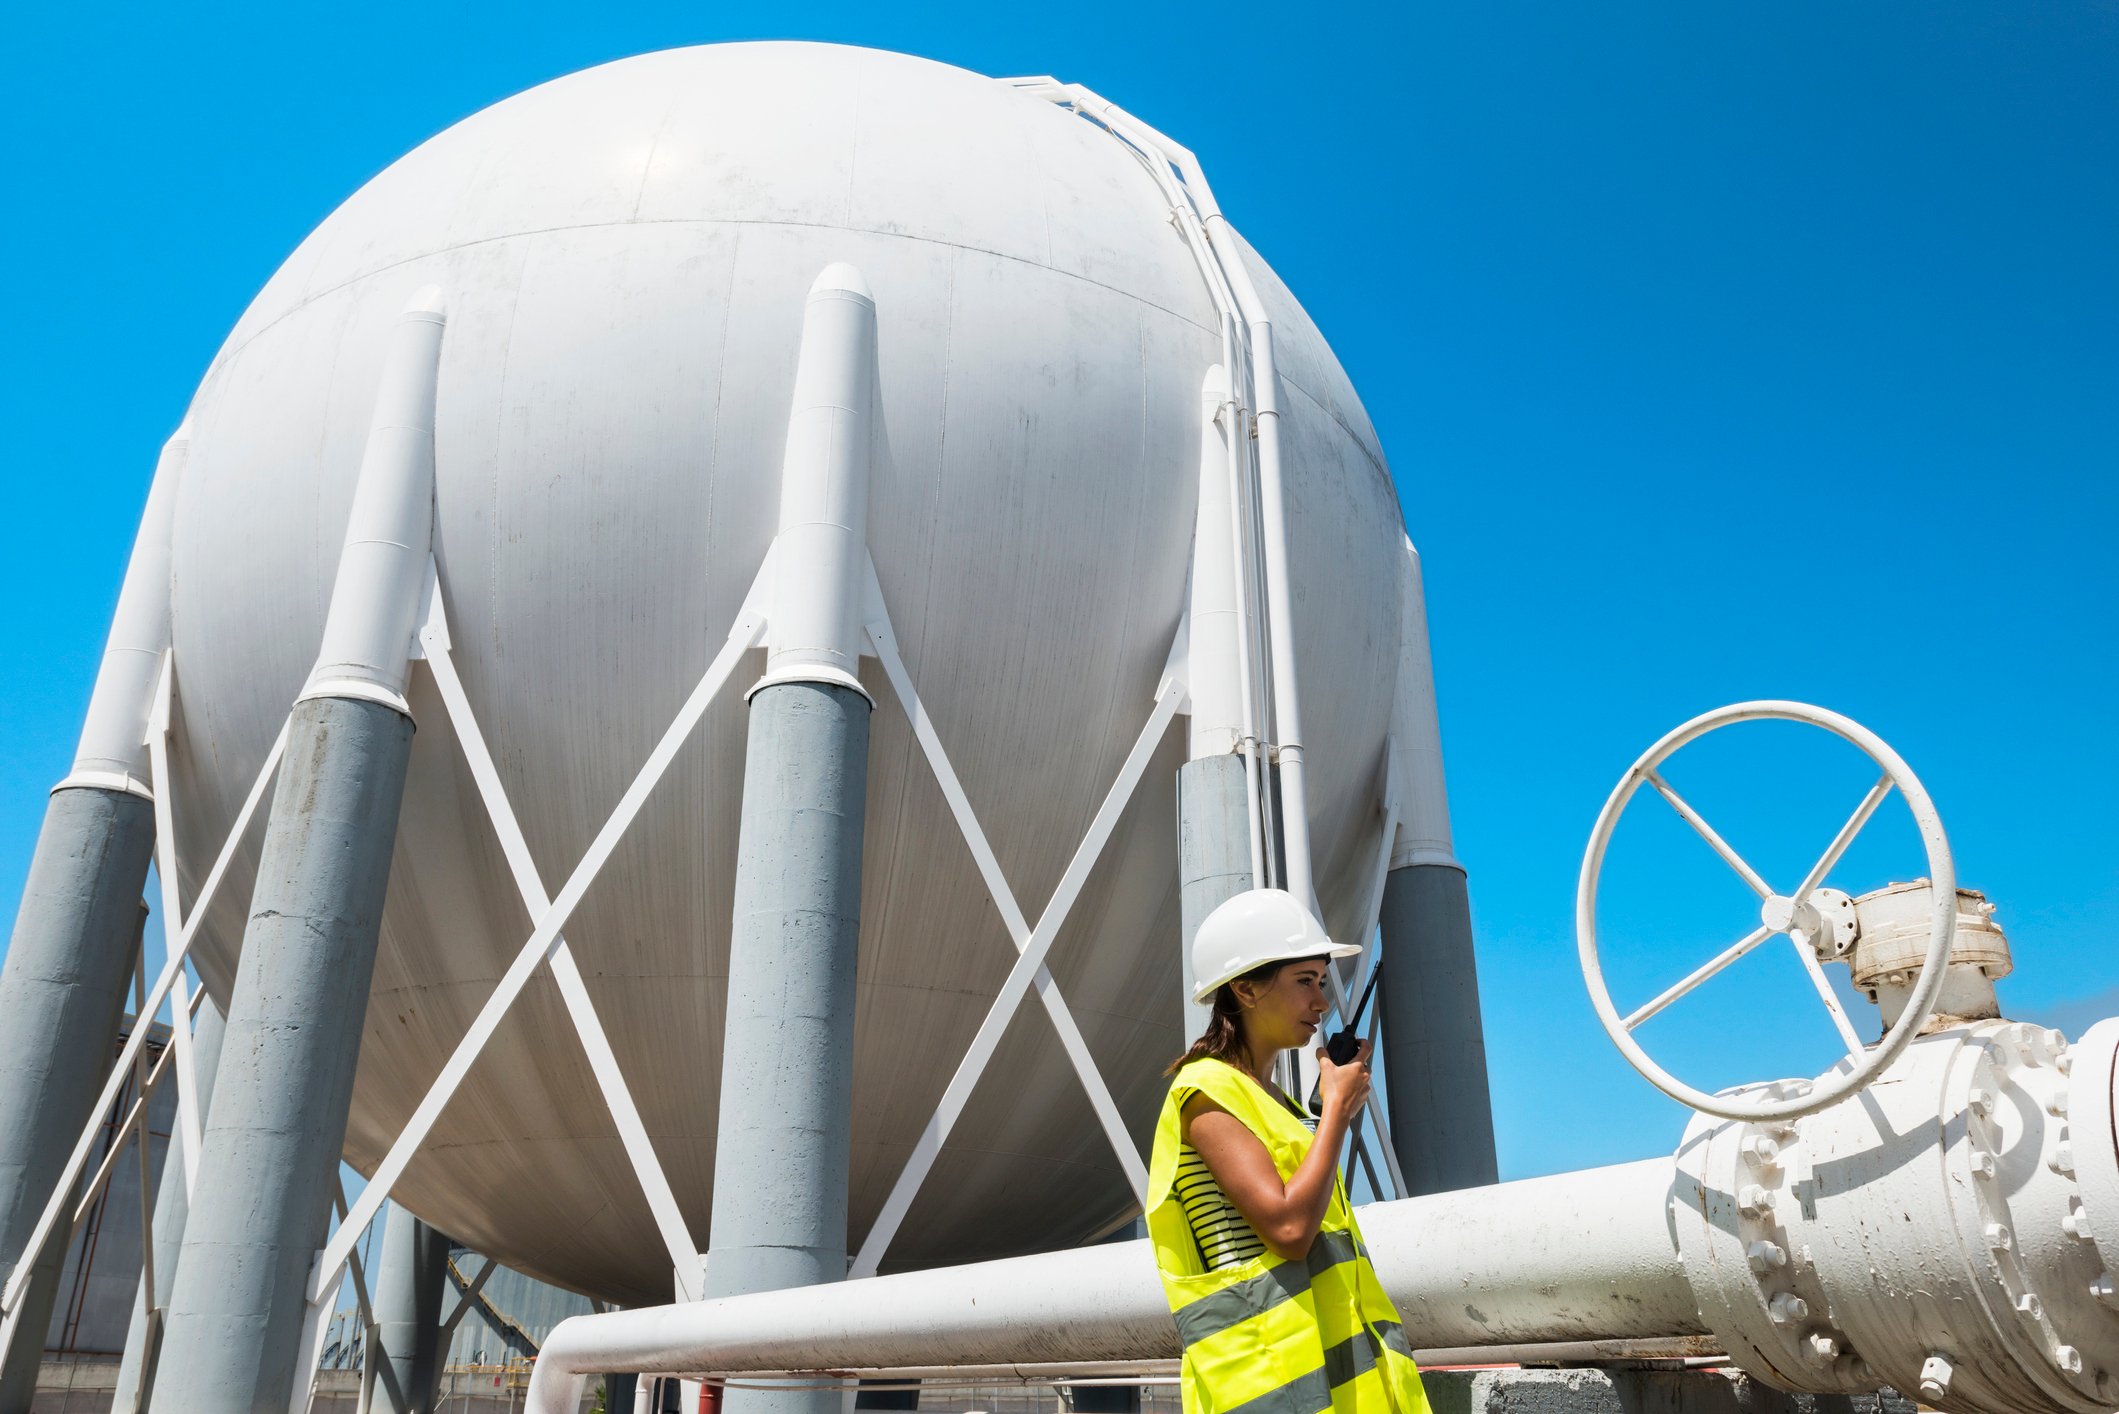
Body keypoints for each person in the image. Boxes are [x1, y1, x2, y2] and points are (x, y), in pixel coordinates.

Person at [1146, 888, 1430, 1414]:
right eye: (1304, 982)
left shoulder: (1281, 1103)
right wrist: (1337, 1117)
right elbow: (1289, 1231)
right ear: (1245, 989)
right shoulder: (1205, 1091)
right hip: (1269, 1382)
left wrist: (1327, 1116)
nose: (1321, 1001)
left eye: (1321, 982)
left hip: (1325, 1379)